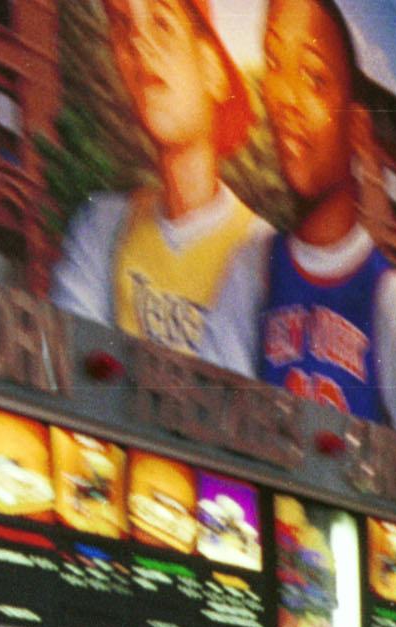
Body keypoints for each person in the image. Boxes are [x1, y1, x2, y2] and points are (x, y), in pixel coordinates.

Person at [245, 0, 396, 451]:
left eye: (314, 77)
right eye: (274, 65)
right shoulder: (249, 271)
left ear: (357, 128)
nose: (285, 98)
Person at [50, 0, 271, 372]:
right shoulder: (102, 226)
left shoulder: (267, 257)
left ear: (214, 70)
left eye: (162, 24)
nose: (139, 44)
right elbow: (69, 373)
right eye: (123, 27)